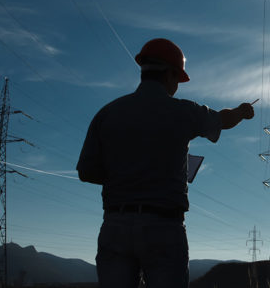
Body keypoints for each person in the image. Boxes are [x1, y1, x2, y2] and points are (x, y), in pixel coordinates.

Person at [76, 38, 254, 288]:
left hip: (115, 225)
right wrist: (242, 112)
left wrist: (125, 172)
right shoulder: (183, 112)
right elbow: (222, 120)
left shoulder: (107, 113)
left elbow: (86, 171)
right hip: (164, 227)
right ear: (171, 74)